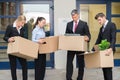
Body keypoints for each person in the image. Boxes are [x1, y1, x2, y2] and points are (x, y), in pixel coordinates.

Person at [65, 9, 91, 80]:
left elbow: (88, 35)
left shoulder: (84, 24)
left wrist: (87, 38)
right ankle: (68, 77)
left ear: (78, 15)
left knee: (80, 63)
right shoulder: (69, 24)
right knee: (69, 62)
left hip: (80, 47)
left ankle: (80, 78)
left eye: (75, 17)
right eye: (73, 17)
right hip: (71, 47)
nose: (74, 18)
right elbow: (66, 35)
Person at [3, 15, 28, 80]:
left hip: (20, 50)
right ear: (18, 20)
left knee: (24, 66)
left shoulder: (22, 28)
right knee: (13, 67)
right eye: (22, 23)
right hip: (12, 50)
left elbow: (25, 37)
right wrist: (9, 39)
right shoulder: (10, 27)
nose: (23, 25)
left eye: (24, 23)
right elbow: (5, 37)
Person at [93, 12, 116, 80]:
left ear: (104, 17)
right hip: (103, 50)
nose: (99, 22)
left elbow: (113, 38)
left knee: (108, 69)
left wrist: (111, 48)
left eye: (99, 19)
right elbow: (98, 40)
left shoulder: (112, 25)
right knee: (104, 68)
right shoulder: (101, 28)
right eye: (98, 20)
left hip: (109, 50)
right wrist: (92, 50)